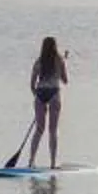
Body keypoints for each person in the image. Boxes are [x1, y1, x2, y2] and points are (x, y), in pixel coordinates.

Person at [28, 35, 69, 168]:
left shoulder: (39, 61)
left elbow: (32, 84)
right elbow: (65, 81)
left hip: (40, 94)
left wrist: (38, 98)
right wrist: (64, 65)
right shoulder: (59, 60)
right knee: (52, 130)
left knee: (39, 130)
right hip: (54, 94)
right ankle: (52, 163)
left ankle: (31, 161)